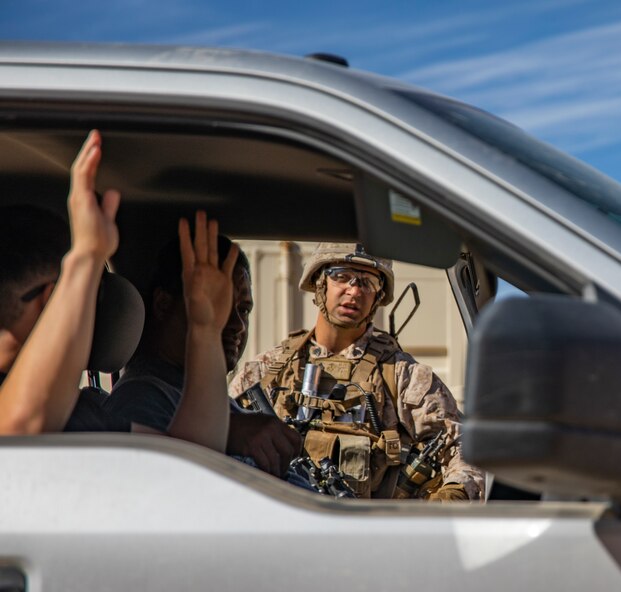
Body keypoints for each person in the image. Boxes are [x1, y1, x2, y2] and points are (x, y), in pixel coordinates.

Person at [0, 130, 237, 449]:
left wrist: (205, 330)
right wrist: (86, 256)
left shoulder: (81, 412)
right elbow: (21, 429)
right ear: (50, 304)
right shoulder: (29, 413)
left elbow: (192, 458)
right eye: (89, 301)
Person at [229, 243, 485, 501]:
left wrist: (453, 496)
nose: (354, 290)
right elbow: (216, 440)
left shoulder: (404, 376)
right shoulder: (268, 370)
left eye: (368, 282)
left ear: (378, 296)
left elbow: (465, 448)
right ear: (320, 282)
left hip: (368, 532)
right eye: (341, 276)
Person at [106, 235, 303, 475]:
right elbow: (158, 493)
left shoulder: (204, 399)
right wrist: (225, 435)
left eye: (243, 310)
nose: (238, 324)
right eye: (216, 304)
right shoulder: (140, 401)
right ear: (163, 304)